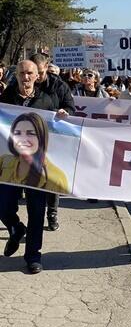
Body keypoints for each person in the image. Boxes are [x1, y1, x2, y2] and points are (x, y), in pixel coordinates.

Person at [0, 60, 69, 274]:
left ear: (37, 75)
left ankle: (33, 256)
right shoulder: (5, 99)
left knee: (37, 212)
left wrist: (62, 116)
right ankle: (15, 228)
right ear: (16, 76)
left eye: (30, 73)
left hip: (38, 167)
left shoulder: (47, 101)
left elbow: (60, 127)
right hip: (10, 165)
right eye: (22, 73)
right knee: (3, 205)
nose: (26, 77)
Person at [25, 53, 75, 231]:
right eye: (33, 72)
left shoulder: (59, 86)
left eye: (39, 72)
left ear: (46, 67)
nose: (35, 76)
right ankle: (33, 219)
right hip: (28, 138)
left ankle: (52, 213)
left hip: (52, 138)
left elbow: (71, 107)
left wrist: (62, 112)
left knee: (52, 176)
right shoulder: (23, 81)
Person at [0, 113, 69, 193]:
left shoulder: (56, 177)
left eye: (31, 133)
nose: (23, 139)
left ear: (41, 138)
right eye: (17, 133)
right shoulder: (4, 161)